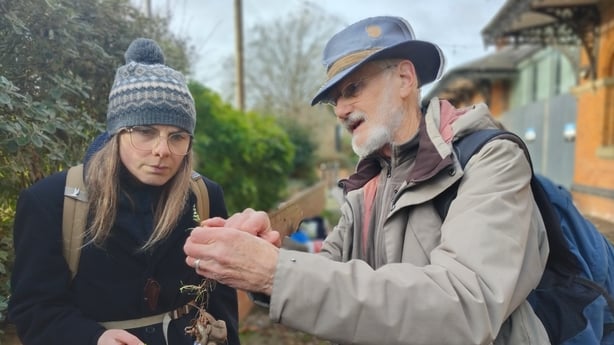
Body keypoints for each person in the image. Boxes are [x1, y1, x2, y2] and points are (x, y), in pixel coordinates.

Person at [183, 16, 553, 345]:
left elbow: (466, 306)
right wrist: (267, 253)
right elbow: (329, 268)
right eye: (335, 99)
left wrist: (273, 273)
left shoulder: (491, 160)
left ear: (405, 78)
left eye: (353, 88)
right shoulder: (367, 185)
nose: (341, 110)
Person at [8, 38, 240, 345]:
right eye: (145, 132)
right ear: (117, 132)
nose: (162, 150)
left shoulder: (204, 196)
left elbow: (221, 296)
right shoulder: (51, 202)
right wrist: (93, 339)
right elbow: (33, 309)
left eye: (177, 136)